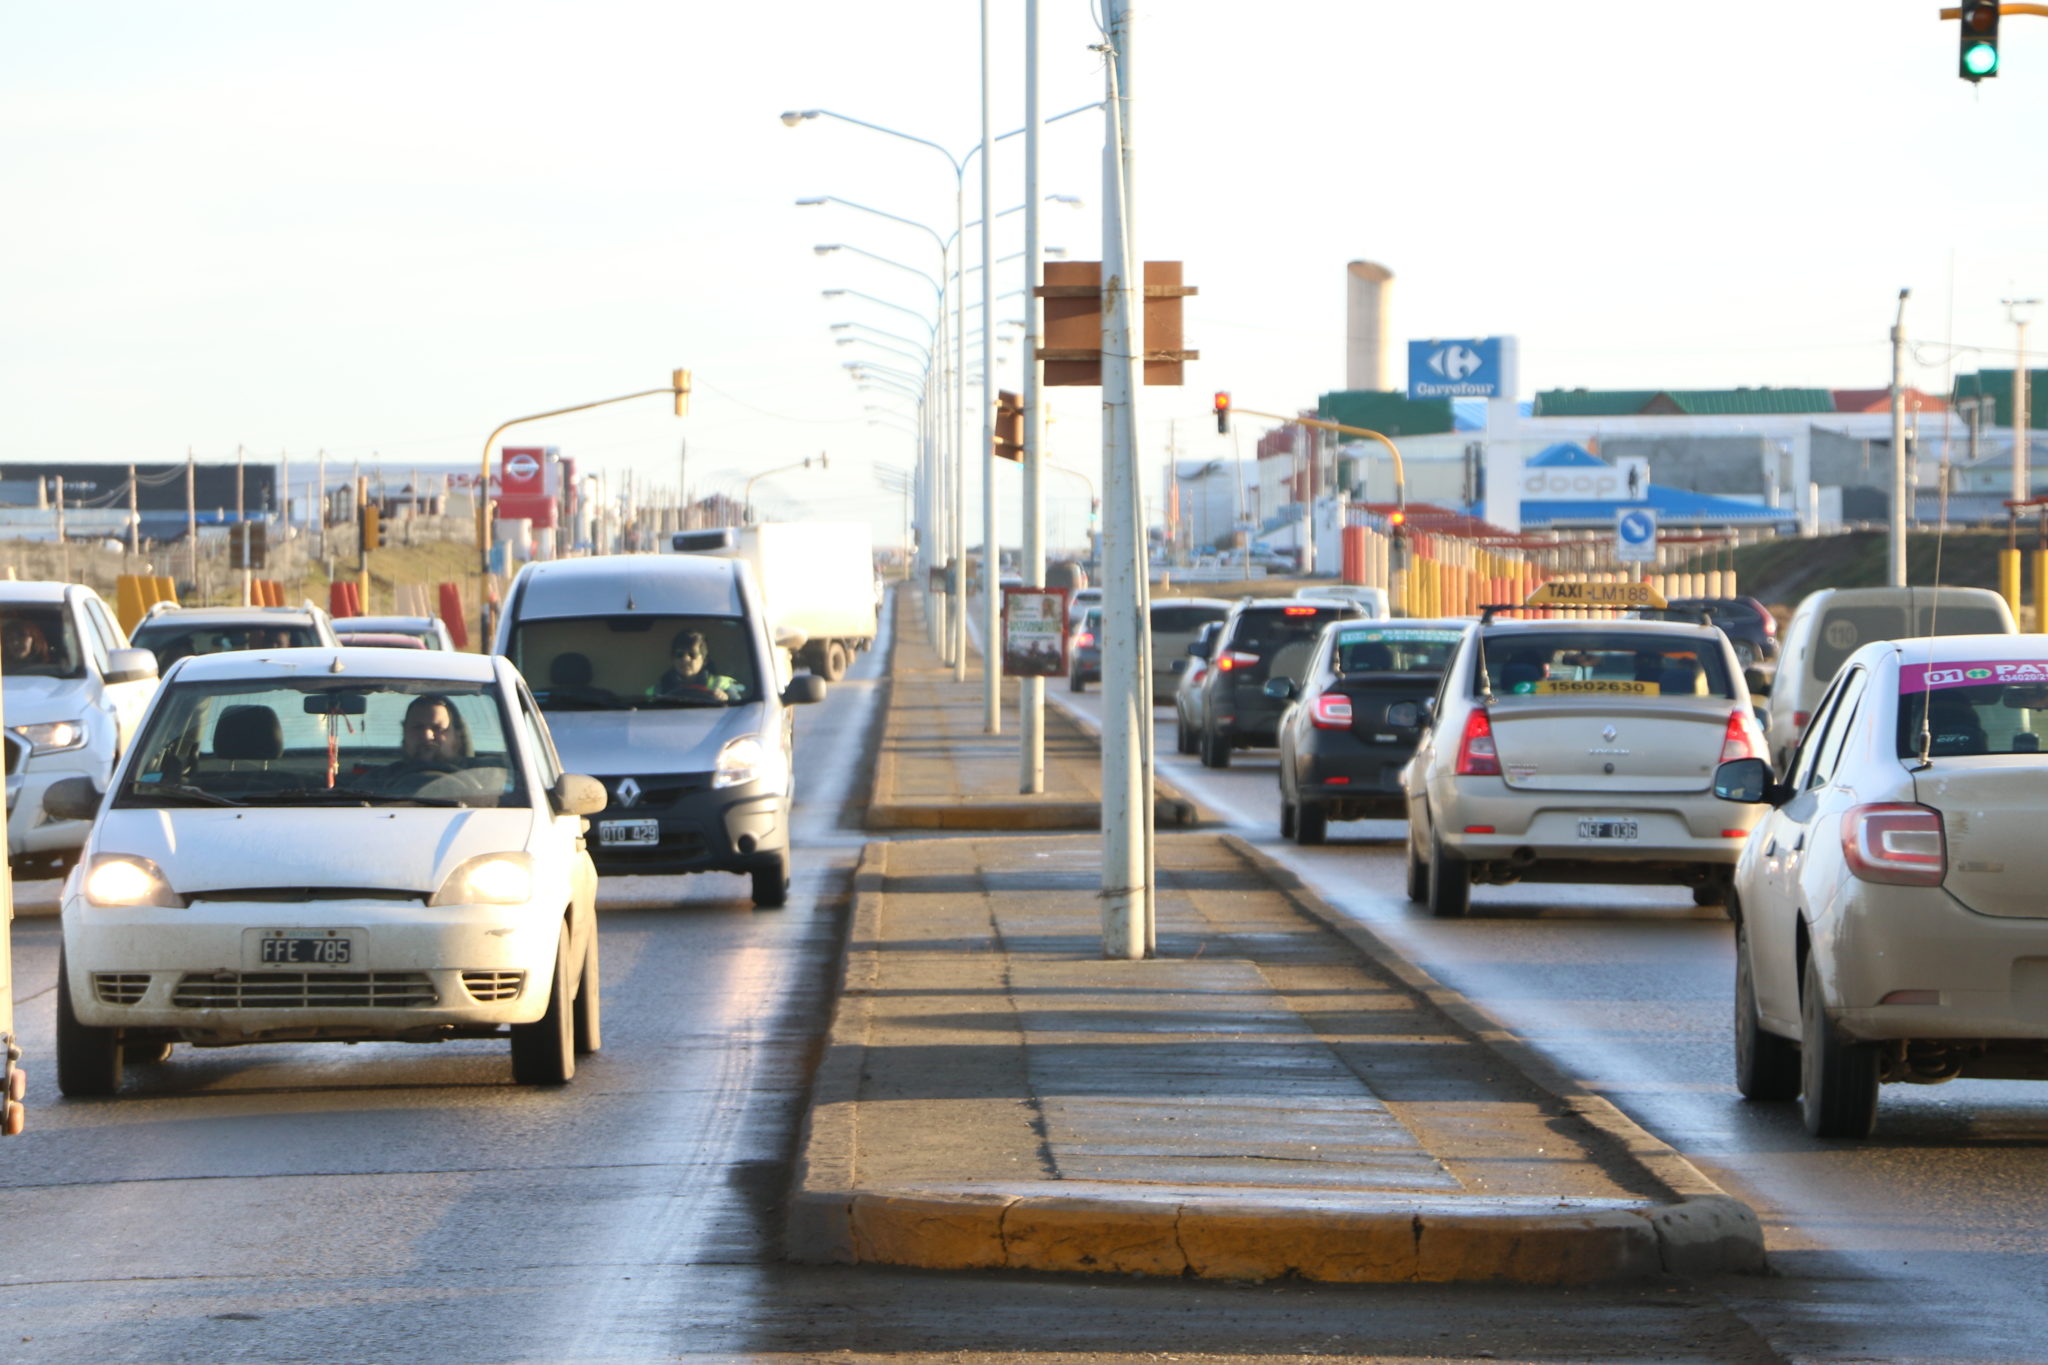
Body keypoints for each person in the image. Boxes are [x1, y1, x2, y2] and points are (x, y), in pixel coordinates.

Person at [654, 630, 739, 701]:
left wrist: (726, 699)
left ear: (704, 660)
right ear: (672, 659)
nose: (685, 659)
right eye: (679, 654)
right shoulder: (659, 688)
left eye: (692, 654)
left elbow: (739, 711)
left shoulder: (722, 685)